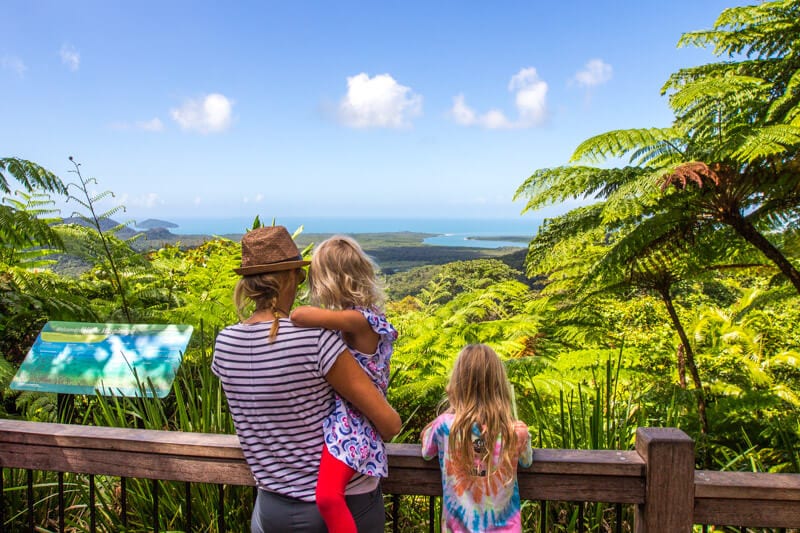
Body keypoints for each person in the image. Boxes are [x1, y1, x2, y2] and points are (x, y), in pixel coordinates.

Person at [211, 226, 401, 533]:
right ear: (290, 278)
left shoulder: (224, 343)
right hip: (341, 506)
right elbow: (389, 424)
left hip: (269, 507)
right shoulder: (316, 340)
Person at [290, 235, 398, 533]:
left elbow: (300, 315)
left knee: (327, 496)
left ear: (330, 280)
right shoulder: (367, 318)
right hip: (351, 420)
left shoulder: (358, 321)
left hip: (354, 424)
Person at [421, 344, 533, 533]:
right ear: (499, 385)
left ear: (457, 384)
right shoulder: (515, 432)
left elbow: (426, 452)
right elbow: (527, 461)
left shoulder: (445, 427)